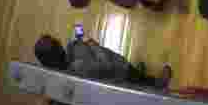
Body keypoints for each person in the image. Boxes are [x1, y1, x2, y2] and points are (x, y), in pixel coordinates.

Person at [34, 35, 171, 89]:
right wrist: (94, 45)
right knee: (139, 79)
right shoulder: (79, 67)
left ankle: (141, 76)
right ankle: (158, 84)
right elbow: (107, 65)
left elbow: (78, 41)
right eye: (56, 42)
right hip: (120, 71)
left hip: (117, 69)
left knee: (136, 76)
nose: (59, 42)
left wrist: (79, 37)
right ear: (58, 49)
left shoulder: (70, 49)